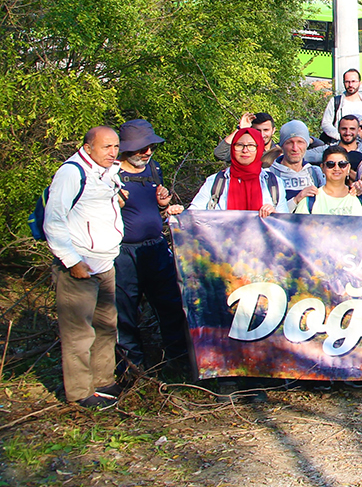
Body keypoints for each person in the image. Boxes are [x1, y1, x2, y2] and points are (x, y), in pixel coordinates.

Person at [44, 126, 125, 409]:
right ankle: (80, 391)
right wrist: (72, 261)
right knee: (79, 332)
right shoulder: (71, 173)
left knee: (106, 325)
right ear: (88, 147)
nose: (113, 152)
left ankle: (104, 381)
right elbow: (53, 221)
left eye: (115, 147)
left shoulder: (107, 172)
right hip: (80, 264)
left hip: (105, 262)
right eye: (106, 147)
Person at [112, 118, 189, 379]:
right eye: (141, 148)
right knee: (125, 313)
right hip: (123, 254)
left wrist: (162, 206)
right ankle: (131, 372)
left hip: (156, 249)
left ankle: (177, 365)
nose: (147, 153)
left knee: (171, 307)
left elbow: (152, 209)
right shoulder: (110, 175)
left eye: (150, 147)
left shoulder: (153, 169)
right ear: (125, 149)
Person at [190, 129, 290, 214]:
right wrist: (176, 213)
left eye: (251, 146)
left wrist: (274, 215)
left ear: (259, 148)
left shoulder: (273, 183)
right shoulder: (216, 182)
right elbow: (192, 216)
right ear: (232, 148)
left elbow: (284, 225)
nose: (245, 150)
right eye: (239, 145)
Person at [291, 146, 362, 215]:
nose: (336, 168)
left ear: (348, 168)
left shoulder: (361, 197)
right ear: (322, 167)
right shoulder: (310, 200)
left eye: (342, 164)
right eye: (330, 164)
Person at [320, 68, 362, 142]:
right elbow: (326, 123)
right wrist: (340, 136)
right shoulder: (335, 102)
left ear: (359, 83)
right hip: (339, 145)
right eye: (347, 82)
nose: (350, 85)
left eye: (353, 81)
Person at [269, 121, 324, 198]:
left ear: (307, 145)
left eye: (300, 142)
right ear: (282, 146)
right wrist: (297, 199)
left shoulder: (315, 173)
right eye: (289, 143)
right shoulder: (269, 175)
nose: (295, 148)